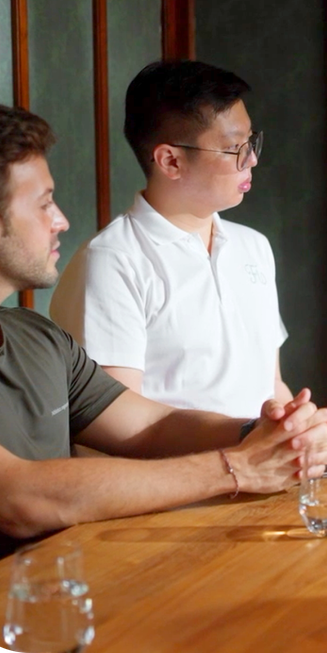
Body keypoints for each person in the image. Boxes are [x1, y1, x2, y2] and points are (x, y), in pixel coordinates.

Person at [0, 103, 327, 574]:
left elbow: (150, 427)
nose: (61, 220)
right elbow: (18, 496)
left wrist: (268, 432)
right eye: (43, 204)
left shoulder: (35, 335)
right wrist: (238, 466)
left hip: (76, 584)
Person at [50, 61, 290, 419]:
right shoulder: (113, 260)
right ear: (170, 161)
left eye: (251, 141)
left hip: (266, 464)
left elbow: (270, 385)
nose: (252, 159)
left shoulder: (253, 246)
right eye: (234, 148)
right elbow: (115, 425)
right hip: (184, 470)